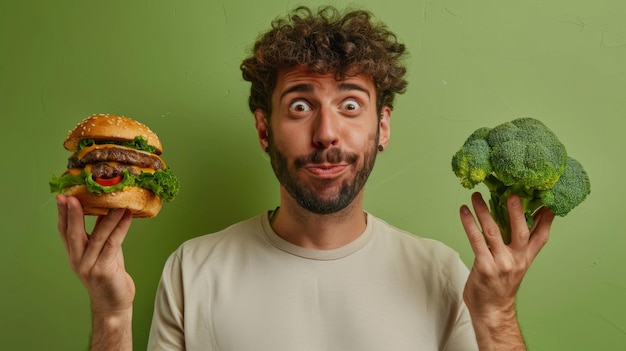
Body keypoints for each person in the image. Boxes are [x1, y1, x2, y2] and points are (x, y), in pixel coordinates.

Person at [56, 6, 554, 351]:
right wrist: (111, 314)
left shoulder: (443, 272)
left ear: (382, 128)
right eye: (299, 106)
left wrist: (497, 315)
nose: (326, 133)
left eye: (351, 105)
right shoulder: (192, 269)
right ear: (263, 128)